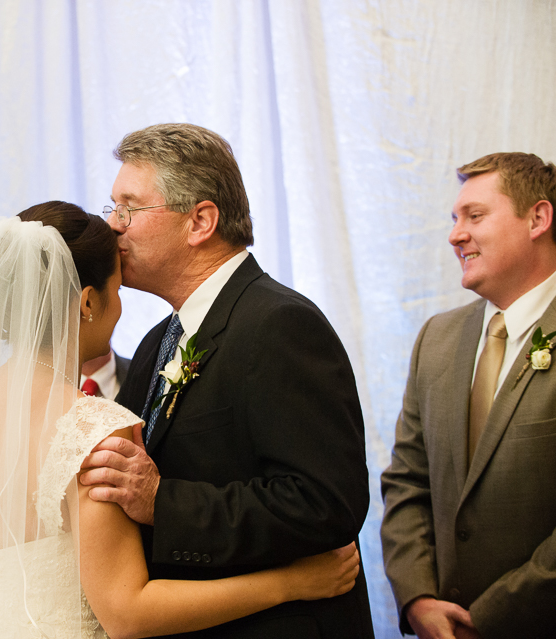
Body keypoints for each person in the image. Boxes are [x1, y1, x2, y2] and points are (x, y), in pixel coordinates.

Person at [0, 202, 360, 639]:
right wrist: (289, 584)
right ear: (88, 303)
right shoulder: (89, 427)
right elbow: (125, 613)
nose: (121, 309)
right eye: (117, 291)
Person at [79, 123, 374, 637]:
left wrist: (163, 502)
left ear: (200, 221)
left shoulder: (280, 325)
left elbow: (327, 504)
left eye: (129, 208)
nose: (113, 228)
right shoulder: (156, 342)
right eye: (112, 209)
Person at [381, 153, 556, 639]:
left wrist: (491, 617)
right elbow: (407, 481)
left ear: (538, 218)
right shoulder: (436, 339)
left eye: (475, 216)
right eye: (454, 220)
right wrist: (417, 598)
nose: (456, 235)